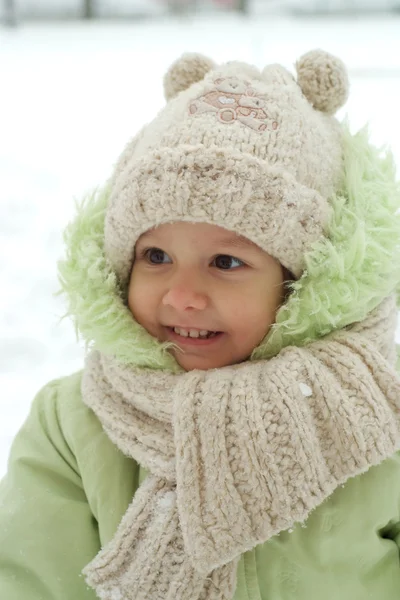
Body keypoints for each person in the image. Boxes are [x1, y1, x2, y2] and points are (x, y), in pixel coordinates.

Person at [1, 49, 400, 600]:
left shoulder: (375, 408)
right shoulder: (72, 424)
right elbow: (31, 580)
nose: (183, 297)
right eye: (156, 257)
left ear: (306, 281)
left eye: (226, 263)